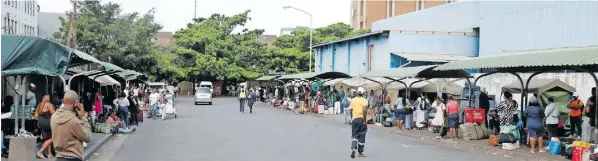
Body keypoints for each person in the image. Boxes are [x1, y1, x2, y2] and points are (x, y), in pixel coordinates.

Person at [50, 90, 91, 161]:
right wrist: (83, 117)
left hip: (59, 157)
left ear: (63, 100)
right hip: (73, 157)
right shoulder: (74, 121)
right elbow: (88, 137)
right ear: (76, 102)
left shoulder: (54, 117)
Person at [349, 87, 368, 158]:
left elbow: (350, 110)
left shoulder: (353, 100)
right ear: (363, 93)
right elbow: (365, 110)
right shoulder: (365, 100)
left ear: (357, 93)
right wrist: (365, 120)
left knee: (354, 135)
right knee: (362, 136)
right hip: (361, 119)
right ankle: (360, 152)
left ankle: (353, 148)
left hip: (354, 120)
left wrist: (352, 118)